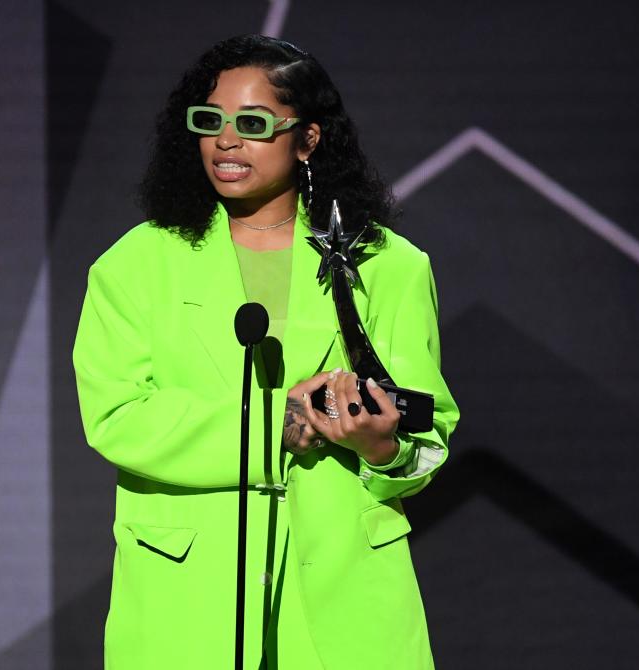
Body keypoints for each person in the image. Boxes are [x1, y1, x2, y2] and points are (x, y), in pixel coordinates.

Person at [72, 34, 459, 669]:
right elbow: (116, 415)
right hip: (189, 593)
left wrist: (380, 446)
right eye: (210, 122)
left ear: (308, 139)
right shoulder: (135, 264)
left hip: (344, 594)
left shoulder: (388, 265)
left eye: (252, 124)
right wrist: (270, 425)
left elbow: (429, 434)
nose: (226, 141)